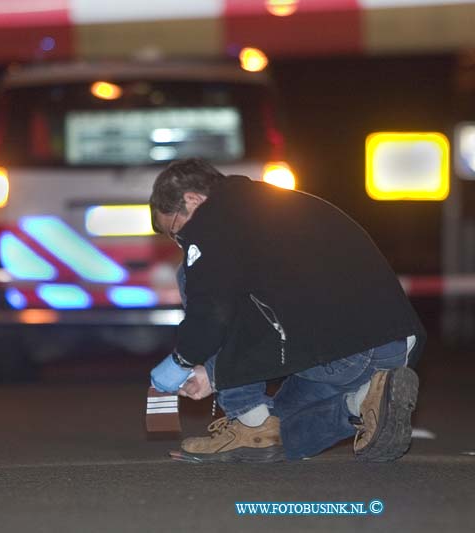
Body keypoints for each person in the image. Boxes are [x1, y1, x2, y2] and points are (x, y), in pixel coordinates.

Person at [148, 158, 425, 463]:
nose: (180, 242)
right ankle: (363, 402)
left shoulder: (212, 220)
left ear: (193, 199)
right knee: (279, 433)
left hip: (345, 351)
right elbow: (281, 306)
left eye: (175, 230)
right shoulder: (284, 205)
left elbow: (215, 310)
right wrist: (214, 374)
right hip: (394, 346)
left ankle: (247, 418)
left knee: (192, 275)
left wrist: (182, 360)